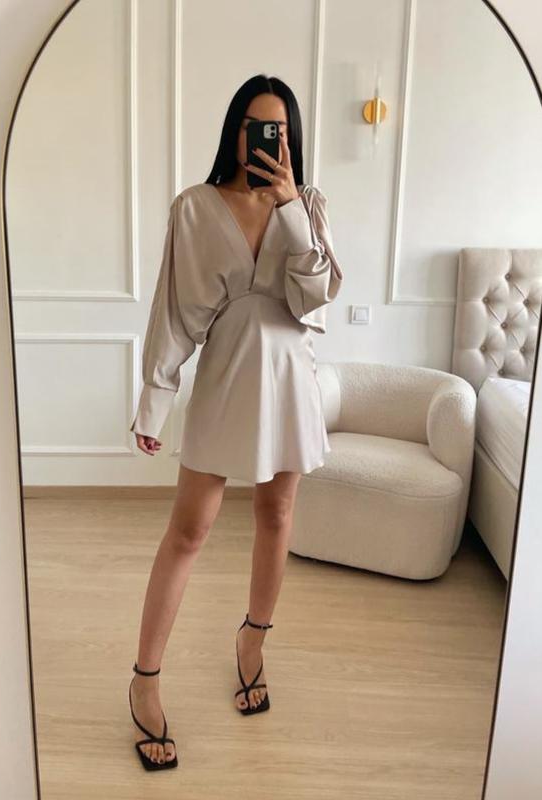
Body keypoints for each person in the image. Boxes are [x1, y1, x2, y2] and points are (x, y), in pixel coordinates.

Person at [127, 74, 343, 770]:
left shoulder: (308, 205)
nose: (266, 140)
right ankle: (145, 678)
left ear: (292, 139)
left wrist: (291, 209)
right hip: (225, 376)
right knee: (189, 530)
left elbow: (315, 300)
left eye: (279, 130)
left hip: (290, 379)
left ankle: (253, 640)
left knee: (276, 516)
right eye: (256, 127)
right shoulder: (195, 207)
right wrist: (155, 398)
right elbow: (172, 311)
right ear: (236, 131)